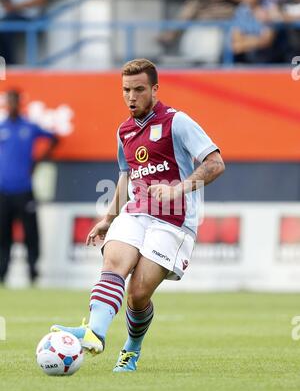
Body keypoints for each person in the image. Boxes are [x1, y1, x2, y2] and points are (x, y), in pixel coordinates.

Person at [51, 58, 225, 372]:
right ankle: (96, 331)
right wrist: (108, 218)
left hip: (175, 221)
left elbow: (215, 164)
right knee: (115, 261)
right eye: (126, 90)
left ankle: (131, 348)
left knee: (139, 293)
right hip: (136, 212)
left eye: (139, 89)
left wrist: (177, 189)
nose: (132, 97)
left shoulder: (178, 122)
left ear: (155, 89)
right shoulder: (125, 131)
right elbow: (125, 176)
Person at [0, 89, 58, 285]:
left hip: (25, 190)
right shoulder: (2, 127)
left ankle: (33, 271)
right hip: (3, 191)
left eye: (15, 102)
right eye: (10, 101)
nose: (12, 105)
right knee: (3, 234)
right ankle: (2, 272)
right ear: (7, 103)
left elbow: (54, 138)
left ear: (19, 103)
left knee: (30, 232)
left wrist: (38, 161)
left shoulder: (30, 126)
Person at [0, 0, 48, 64]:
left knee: (4, 28)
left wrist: (16, 7)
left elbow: (41, 0)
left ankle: (10, 65)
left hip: (29, 18)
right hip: (10, 16)